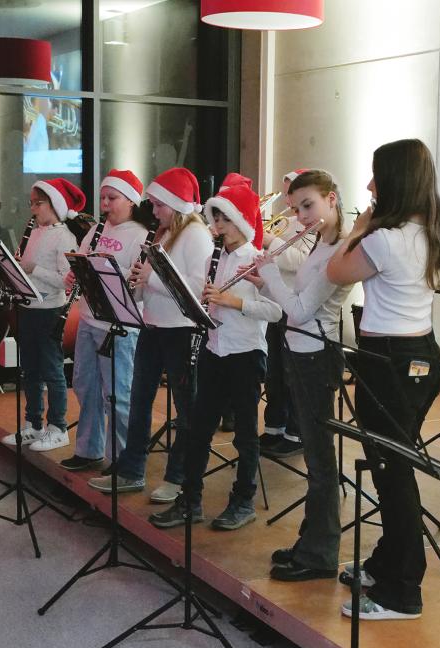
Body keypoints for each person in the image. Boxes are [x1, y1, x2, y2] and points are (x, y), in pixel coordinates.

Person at [325, 138, 440, 621]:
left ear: (394, 181)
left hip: (391, 360)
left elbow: (337, 272)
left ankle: (403, 590)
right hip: (417, 357)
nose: (370, 184)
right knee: (386, 464)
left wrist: (357, 228)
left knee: (392, 470)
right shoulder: (425, 230)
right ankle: (387, 560)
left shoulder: (383, 237)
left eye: (377, 175)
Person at [148, 183, 282, 531]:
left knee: (246, 435)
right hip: (213, 350)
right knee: (197, 429)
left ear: (241, 221)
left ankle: (243, 501)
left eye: (224, 220)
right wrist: (195, 303)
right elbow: (202, 298)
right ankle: (190, 500)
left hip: (245, 354)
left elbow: (276, 311)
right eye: (216, 219)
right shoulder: (215, 257)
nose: (217, 227)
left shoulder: (258, 260)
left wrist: (234, 302)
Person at [245, 169, 355, 581]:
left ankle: (322, 554)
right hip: (300, 350)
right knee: (314, 458)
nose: (301, 216)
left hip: (318, 357)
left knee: (321, 461)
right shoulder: (321, 242)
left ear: (331, 198)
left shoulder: (340, 248)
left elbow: (303, 310)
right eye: (296, 208)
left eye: (308, 205)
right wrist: (265, 280)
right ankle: (310, 540)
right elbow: (293, 303)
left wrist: (270, 272)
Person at [87, 167, 212, 503]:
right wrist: (135, 288)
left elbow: (198, 290)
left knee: (186, 410)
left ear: (176, 204)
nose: (153, 212)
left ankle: (178, 477)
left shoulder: (196, 235)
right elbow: (148, 288)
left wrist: (150, 279)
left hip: (181, 332)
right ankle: (131, 470)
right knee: (140, 401)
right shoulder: (163, 234)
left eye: (159, 206)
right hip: (153, 327)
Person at [60, 170, 150, 471]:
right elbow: (81, 260)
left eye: (112, 198)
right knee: (84, 385)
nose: (105, 204)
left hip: (119, 327)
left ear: (131, 201)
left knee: (118, 393)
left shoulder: (141, 235)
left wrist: (105, 275)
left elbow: (139, 288)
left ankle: (121, 459)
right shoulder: (97, 229)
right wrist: (74, 274)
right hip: (88, 317)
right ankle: (88, 449)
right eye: (103, 198)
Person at [0, 179, 82, 452]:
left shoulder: (65, 236)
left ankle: (58, 427)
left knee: (52, 371)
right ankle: (34, 425)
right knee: (30, 371)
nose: (33, 209)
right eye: (31, 203)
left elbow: (66, 282)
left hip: (50, 310)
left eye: (38, 203)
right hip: (29, 308)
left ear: (54, 205)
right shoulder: (34, 231)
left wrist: (33, 268)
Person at [258, 169, 315, 459]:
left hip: (295, 305)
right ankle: (274, 427)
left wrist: (270, 240)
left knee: (292, 373)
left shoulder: (310, 225)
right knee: (275, 372)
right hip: (276, 303)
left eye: (293, 191)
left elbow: (300, 261)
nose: (289, 199)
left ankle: (295, 432)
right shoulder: (289, 223)